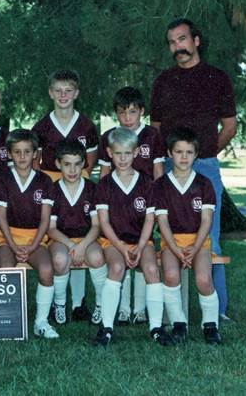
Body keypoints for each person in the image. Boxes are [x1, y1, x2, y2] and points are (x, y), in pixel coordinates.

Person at [150, 18, 237, 319]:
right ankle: (173, 312)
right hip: (170, 170)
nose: (178, 47)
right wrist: (163, 166)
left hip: (206, 167)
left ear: (196, 40)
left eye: (182, 39)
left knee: (209, 236)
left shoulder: (217, 78)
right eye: (172, 42)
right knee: (168, 233)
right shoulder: (163, 81)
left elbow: (229, 126)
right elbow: (156, 129)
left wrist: (206, 154)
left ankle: (218, 311)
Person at [93, 128, 173, 347]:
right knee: (117, 269)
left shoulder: (147, 183)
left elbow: (149, 220)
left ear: (136, 153)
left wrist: (138, 246)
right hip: (113, 241)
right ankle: (106, 327)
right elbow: (104, 222)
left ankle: (156, 327)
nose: (122, 158)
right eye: (118, 153)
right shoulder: (104, 184)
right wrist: (121, 247)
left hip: (141, 240)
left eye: (127, 153)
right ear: (109, 153)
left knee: (151, 270)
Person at [32, 69, 99, 322]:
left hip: (77, 185)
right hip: (52, 187)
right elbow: (36, 164)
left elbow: (90, 161)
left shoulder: (86, 125)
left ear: (76, 93)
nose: (63, 95)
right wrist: (51, 186)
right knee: (58, 239)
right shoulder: (41, 126)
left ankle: (79, 303)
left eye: (68, 90)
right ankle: (58, 301)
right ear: (50, 93)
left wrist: (79, 183)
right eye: (58, 90)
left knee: (79, 233)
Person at [97, 87, 166, 325]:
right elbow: (105, 172)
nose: (127, 118)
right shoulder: (110, 136)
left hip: (145, 202)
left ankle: (141, 309)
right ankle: (124, 308)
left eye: (132, 112)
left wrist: (157, 206)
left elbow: (158, 172)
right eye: (122, 113)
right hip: (118, 202)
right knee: (121, 256)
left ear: (142, 112)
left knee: (142, 254)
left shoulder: (152, 136)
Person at [152, 127, 221, 345]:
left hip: (199, 242)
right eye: (179, 151)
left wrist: (194, 248)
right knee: (171, 275)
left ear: (196, 154)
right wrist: (175, 249)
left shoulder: (204, 184)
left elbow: (207, 221)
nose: (183, 157)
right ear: (170, 153)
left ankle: (210, 326)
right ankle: (178, 324)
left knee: (203, 279)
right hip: (171, 242)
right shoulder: (161, 185)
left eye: (189, 152)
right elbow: (162, 222)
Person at [0, 129, 59, 339]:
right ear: (9, 154)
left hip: (36, 239)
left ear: (35, 154)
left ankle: (40, 322)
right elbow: (1, 217)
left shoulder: (44, 181)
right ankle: (9, 320)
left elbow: (45, 220)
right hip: (9, 238)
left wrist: (33, 245)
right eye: (17, 152)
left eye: (27, 152)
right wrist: (13, 246)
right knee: (6, 268)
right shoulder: (3, 179)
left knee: (47, 270)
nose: (22, 157)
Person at [47, 139, 105, 326]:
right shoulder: (53, 190)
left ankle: (101, 304)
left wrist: (82, 245)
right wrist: (72, 245)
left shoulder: (92, 189)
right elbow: (51, 228)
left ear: (84, 164)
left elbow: (96, 226)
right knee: (60, 260)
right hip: (61, 239)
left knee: (97, 257)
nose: (72, 170)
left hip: (86, 238)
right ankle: (60, 303)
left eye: (77, 164)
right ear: (58, 164)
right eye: (67, 165)